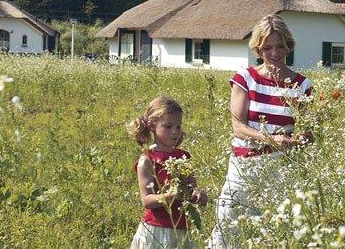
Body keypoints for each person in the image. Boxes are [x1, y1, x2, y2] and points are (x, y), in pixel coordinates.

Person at [209, 14, 312, 248]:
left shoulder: (302, 85)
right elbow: (238, 127)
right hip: (245, 165)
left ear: (289, 46)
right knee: (227, 224)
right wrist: (271, 138)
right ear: (258, 49)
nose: (274, 53)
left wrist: (304, 137)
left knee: (272, 230)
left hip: (281, 167)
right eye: (267, 48)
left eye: (279, 46)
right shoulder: (245, 78)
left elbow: (308, 129)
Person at [127, 96, 207, 249]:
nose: (175, 132)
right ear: (152, 125)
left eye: (178, 126)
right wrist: (171, 195)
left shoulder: (183, 156)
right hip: (157, 230)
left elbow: (192, 187)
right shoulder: (147, 160)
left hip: (183, 229)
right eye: (168, 126)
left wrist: (198, 195)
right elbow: (147, 201)